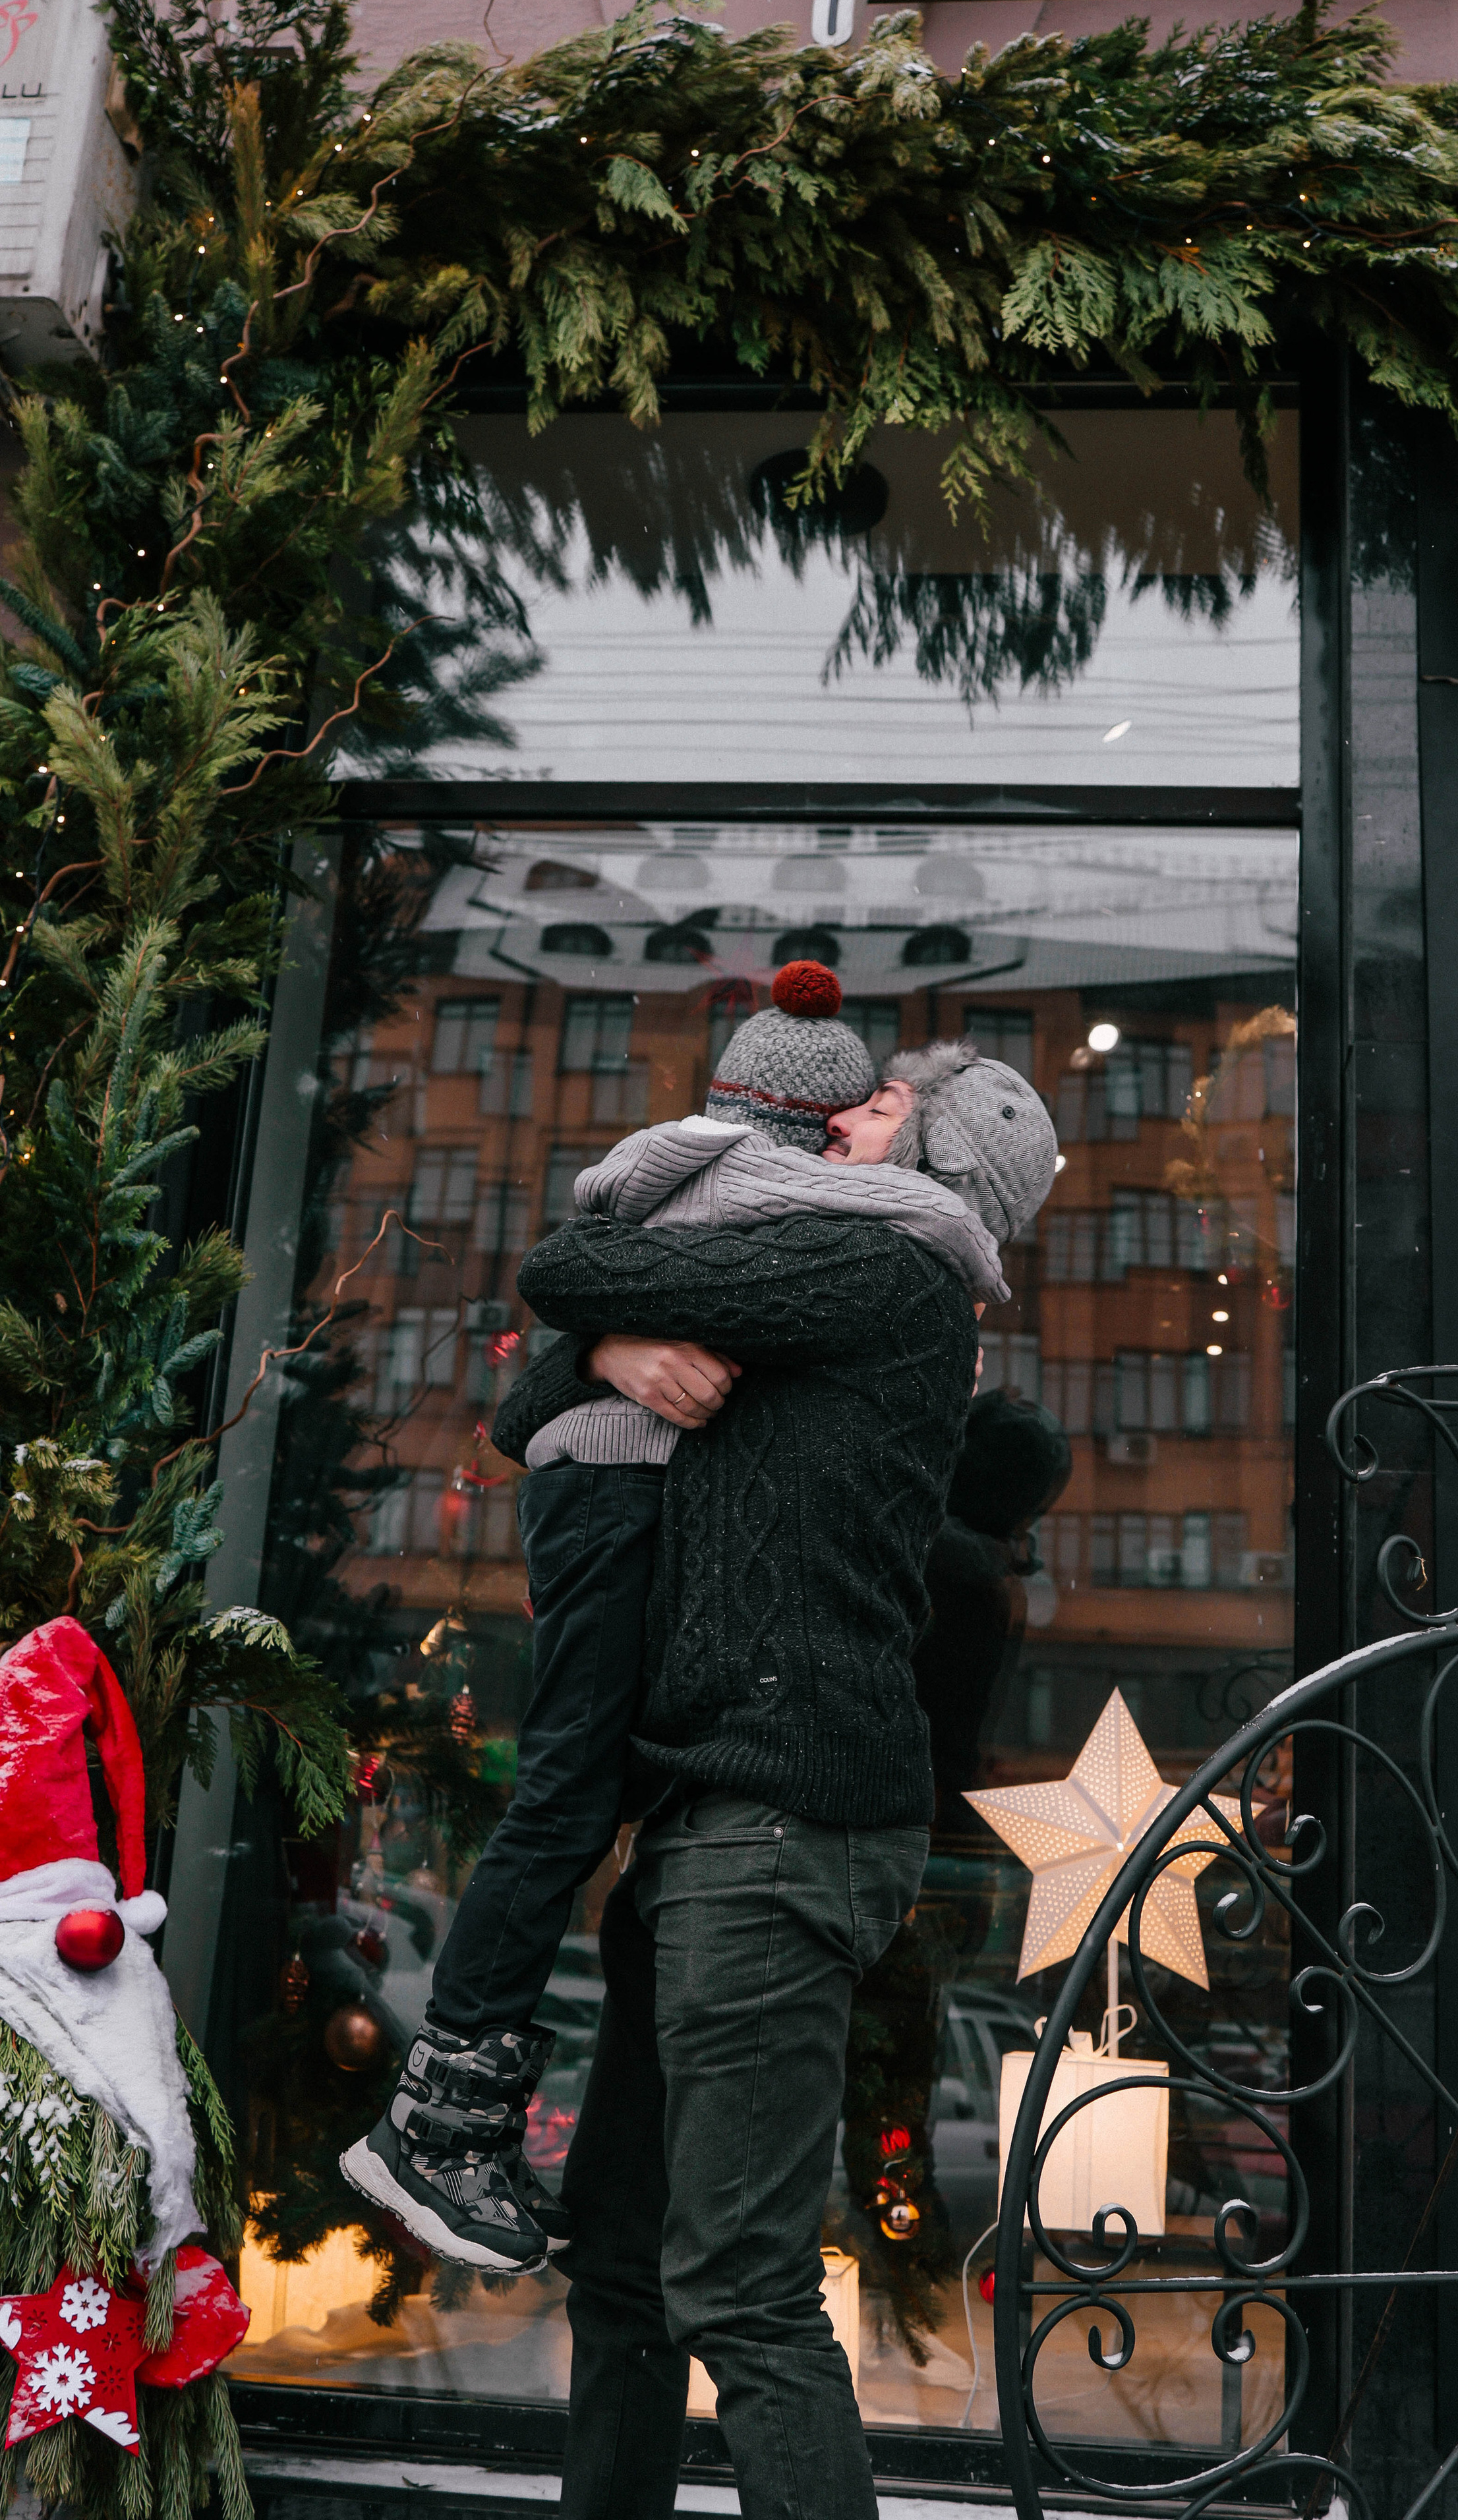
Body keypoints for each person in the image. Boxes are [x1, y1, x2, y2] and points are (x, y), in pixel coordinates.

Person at [340, 970, 1012, 2276]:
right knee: (565, 1792)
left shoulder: (861, 1257)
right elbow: (552, 1315)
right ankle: (438, 2116)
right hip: (641, 1569)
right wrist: (603, 1357)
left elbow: (556, 1335)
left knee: (578, 1792)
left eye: (886, 1106)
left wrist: (597, 1357)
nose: (861, 1120)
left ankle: (455, 2123)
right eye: (859, 1098)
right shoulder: (794, 1210)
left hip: (723, 1702)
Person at [513, 1035, 1059, 2520]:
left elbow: (577, 1261)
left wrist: (605, 1321)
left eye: (874, 1104)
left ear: (931, 1162)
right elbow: (542, 1388)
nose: (835, 1116)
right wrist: (614, 1359)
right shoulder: (804, 1285)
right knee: (620, 2255)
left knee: (740, 2294)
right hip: (701, 1822)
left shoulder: (884, 1281)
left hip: (778, 1830)